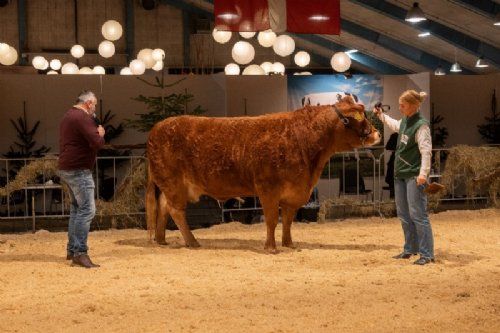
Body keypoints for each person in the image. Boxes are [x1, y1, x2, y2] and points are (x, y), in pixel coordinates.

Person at [373, 90, 434, 265]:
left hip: (414, 175)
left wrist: (423, 174)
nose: (400, 108)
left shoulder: (421, 125)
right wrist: (381, 116)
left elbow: (426, 151)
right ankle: (410, 249)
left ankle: (427, 254)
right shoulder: (406, 121)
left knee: (418, 214)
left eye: (403, 105)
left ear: (413, 106)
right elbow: (395, 125)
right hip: (400, 174)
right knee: (404, 214)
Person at [58, 91, 105, 268]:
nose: (95, 109)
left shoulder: (69, 115)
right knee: (87, 210)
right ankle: (80, 252)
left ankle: (72, 250)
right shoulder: (82, 117)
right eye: (95, 105)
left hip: (68, 167)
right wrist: (100, 133)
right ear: (89, 103)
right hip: (79, 170)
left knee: (77, 209)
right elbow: (97, 143)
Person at [385, 133, 398, 198]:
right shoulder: (396, 135)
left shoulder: (395, 135)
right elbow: (388, 146)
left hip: (394, 160)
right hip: (395, 161)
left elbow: (388, 146)